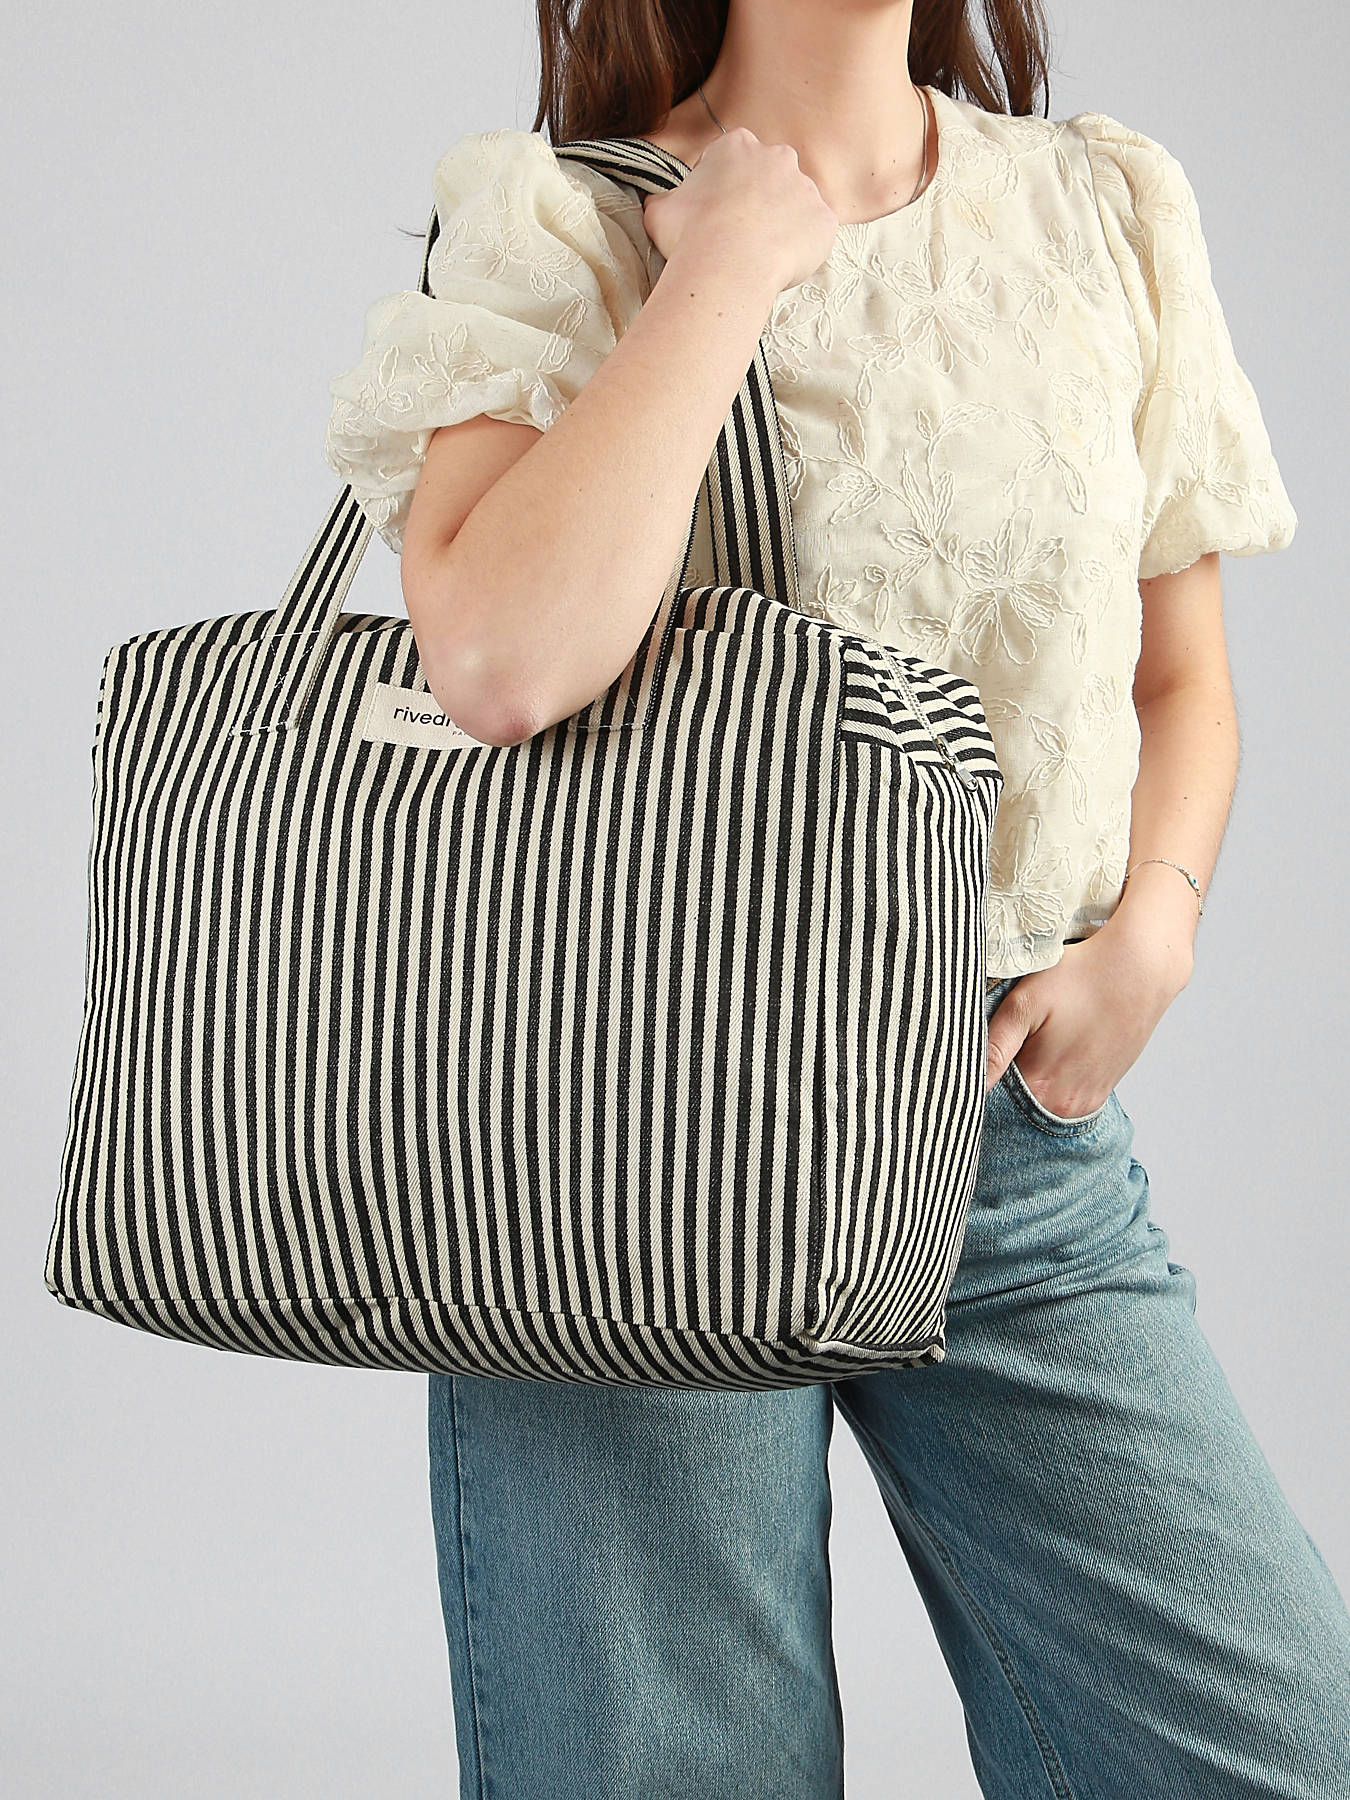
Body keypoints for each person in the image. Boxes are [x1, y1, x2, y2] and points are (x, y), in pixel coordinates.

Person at [323, 1, 1350, 1793]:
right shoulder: (562, 219)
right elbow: (495, 661)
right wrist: (719, 272)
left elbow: (1177, 673)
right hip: (632, 1135)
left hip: (1001, 1127)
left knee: (1270, 1749)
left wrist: (1158, 925)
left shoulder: (1103, 206)